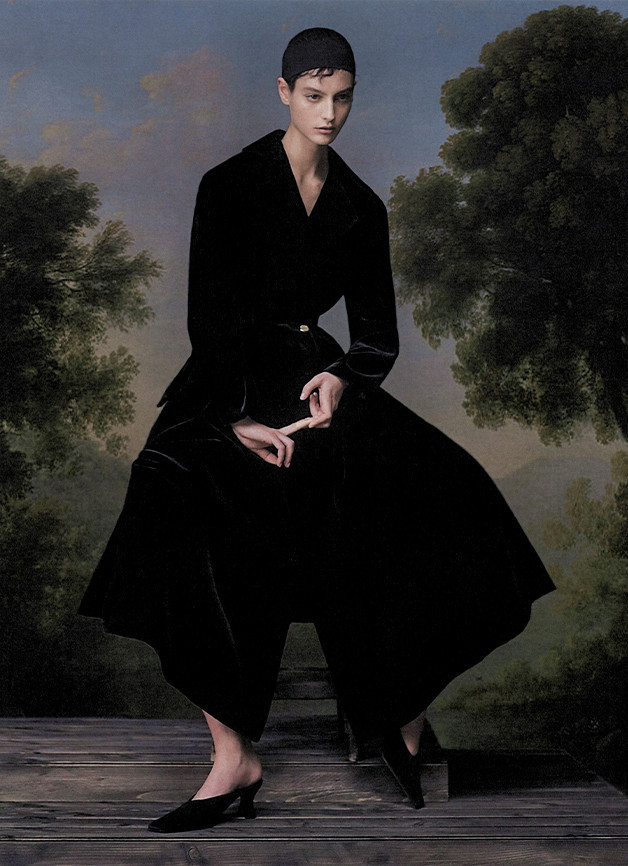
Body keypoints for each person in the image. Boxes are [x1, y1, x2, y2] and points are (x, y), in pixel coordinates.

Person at [77, 28, 554, 833]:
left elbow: (376, 333)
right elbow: (208, 318)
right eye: (313, 96)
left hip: (318, 381)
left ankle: (401, 712)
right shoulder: (228, 185)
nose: (329, 113)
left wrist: (344, 378)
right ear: (283, 92)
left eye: (342, 98)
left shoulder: (362, 205)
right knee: (168, 485)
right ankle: (233, 757)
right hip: (227, 381)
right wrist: (237, 417)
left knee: (449, 490)